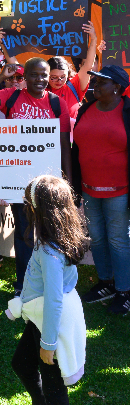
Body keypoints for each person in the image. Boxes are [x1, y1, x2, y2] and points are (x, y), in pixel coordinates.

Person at [0, 58, 72, 296]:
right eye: (34, 75)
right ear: (25, 77)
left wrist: (67, 179)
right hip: (19, 180)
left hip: (47, 181)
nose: (40, 80)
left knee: (48, 233)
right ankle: (23, 285)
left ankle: (47, 281)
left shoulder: (57, 103)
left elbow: (63, 145)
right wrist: (0, 77)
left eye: (44, 75)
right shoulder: (12, 96)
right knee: (25, 233)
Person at [11, 175, 88, 405]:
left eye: (28, 204)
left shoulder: (49, 251)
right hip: (41, 317)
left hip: (50, 323)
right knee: (22, 364)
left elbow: (54, 301)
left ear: (39, 210)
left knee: (54, 389)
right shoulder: (61, 236)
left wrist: (48, 345)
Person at [71, 65, 130, 315]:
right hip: (89, 189)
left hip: (119, 191)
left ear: (117, 87)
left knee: (118, 241)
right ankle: (106, 282)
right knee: (96, 238)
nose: (95, 84)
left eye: (101, 81)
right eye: (95, 80)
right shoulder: (87, 109)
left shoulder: (127, 111)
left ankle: (125, 291)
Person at [46, 23, 99, 117]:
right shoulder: (40, 89)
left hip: (73, 131)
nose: (59, 81)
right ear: (46, 76)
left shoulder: (74, 85)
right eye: (54, 77)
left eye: (63, 77)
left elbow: (88, 66)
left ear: (68, 74)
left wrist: (94, 39)